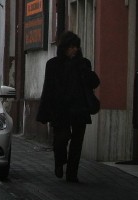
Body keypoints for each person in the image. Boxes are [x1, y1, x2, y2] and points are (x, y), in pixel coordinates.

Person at [37, 31, 100, 183]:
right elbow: (48, 89)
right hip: (60, 109)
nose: (75, 50)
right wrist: (45, 112)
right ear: (64, 47)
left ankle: (72, 174)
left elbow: (95, 82)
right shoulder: (53, 64)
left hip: (80, 109)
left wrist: (85, 71)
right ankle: (59, 162)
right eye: (72, 47)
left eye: (76, 47)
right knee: (61, 139)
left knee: (77, 143)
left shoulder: (83, 63)